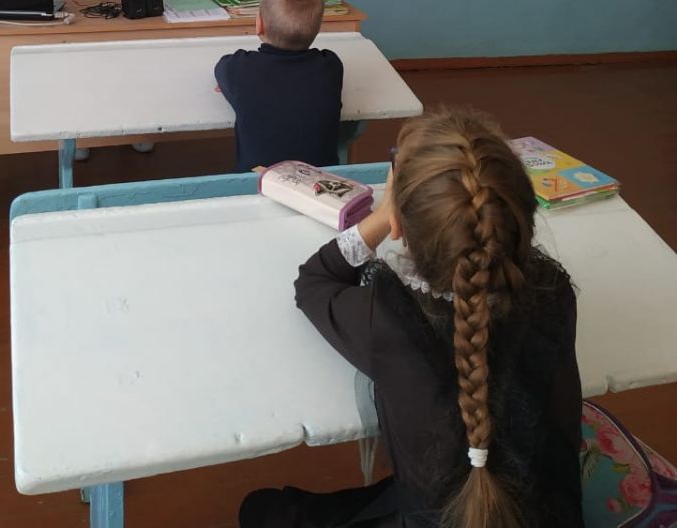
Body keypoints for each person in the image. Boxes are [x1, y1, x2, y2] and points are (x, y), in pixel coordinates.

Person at [239, 108, 584, 528]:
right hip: (550, 515)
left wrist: (382, 217)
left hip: (428, 513)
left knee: (260, 509)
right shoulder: (554, 294)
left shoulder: (388, 318)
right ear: (524, 220)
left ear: (400, 225)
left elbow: (314, 282)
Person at [214, 0, 343, 172]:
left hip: (258, 183)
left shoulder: (238, 68)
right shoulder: (331, 66)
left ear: (259, 24)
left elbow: (222, 67)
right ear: (317, 29)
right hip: (320, 182)